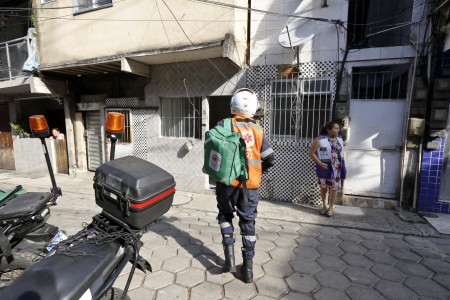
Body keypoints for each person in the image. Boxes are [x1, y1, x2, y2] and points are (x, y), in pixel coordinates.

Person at [216, 88, 274, 283]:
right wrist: (257, 171)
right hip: (250, 186)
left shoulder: (223, 124)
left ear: (233, 105)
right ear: (253, 107)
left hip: (227, 184)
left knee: (225, 216)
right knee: (248, 223)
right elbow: (270, 158)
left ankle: (229, 261)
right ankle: (247, 271)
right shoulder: (258, 129)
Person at [309, 121, 346, 217]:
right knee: (324, 187)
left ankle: (331, 207)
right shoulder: (320, 140)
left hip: (337, 168)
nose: (338, 130)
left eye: (339, 128)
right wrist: (320, 163)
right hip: (325, 167)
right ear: (329, 130)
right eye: (336, 128)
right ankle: (324, 206)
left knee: (334, 188)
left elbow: (341, 154)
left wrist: (343, 167)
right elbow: (311, 153)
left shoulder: (340, 140)